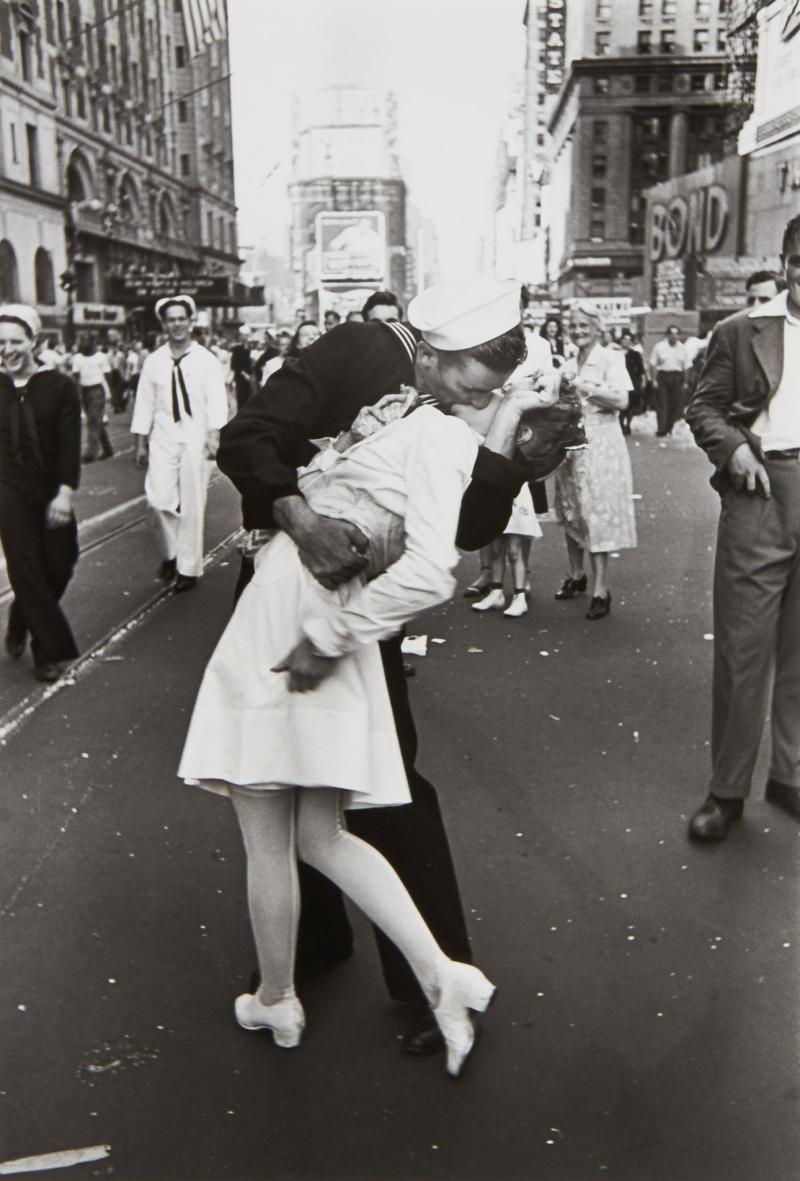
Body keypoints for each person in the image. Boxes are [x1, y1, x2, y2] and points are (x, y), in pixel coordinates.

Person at [179, 356, 552, 1072]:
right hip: (322, 611)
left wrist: (327, 628)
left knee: (270, 838)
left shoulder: (435, 435)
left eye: (486, 389)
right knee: (319, 835)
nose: (381, 403)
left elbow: (432, 562)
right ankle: (441, 974)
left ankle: (278, 996)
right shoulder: (423, 429)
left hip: (292, 614)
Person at [685, 215, 800, 842]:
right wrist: (732, 449)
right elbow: (701, 406)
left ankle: (791, 777)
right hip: (761, 490)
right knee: (743, 652)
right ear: (784, 262)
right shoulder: (740, 330)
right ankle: (726, 793)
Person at [0, 305, 81, 683]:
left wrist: (65, 493)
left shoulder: (59, 387)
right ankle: (48, 652)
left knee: (61, 561)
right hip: (7, 487)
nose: (8, 349)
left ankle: (21, 616)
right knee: (25, 565)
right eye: (0, 342)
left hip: (50, 486)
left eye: (16, 341)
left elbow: (68, 443)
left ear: (34, 341)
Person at [130, 295, 228, 593]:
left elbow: (217, 401)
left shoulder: (206, 360)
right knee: (157, 500)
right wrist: (140, 442)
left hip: (196, 438)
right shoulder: (154, 362)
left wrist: (214, 436)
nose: (177, 324)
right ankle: (171, 553)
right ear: (164, 324)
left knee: (193, 502)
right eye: (171, 319)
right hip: (163, 437)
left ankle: (188, 567)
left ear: (190, 321)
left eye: (181, 318)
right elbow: (144, 403)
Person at [553, 301, 637, 620]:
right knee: (571, 509)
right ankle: (577, 574)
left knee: (596, 512)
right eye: (573, 326)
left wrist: (581, 386)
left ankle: (602, 589)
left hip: (601, 441)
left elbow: (622, 399)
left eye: (584, 326)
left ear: (598, 328)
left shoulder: (611, 358)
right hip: (571, 442)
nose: (577, 331)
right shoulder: (569, 360)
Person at [71, 336, 113, 461]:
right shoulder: (77, 358)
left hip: (97, 390)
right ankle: (107, 448)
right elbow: (76, 376)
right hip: (84, 390)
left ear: (93, 342)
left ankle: (91, 452)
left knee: (93, 420)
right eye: (82, 341)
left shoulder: (101, 357)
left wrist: (110, 392)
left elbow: (108, 375)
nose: (84, 344)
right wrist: (76, 393)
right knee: (95, 420)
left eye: (87, 341)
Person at [649, 325, 690, 437]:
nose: (674, 336)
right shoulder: (659, 347)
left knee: (675, 404)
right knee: (662, 403)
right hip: (663, 376)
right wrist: (653, 380)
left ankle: (669, 427)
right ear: (667, 335)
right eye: (671, 334)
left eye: (676, 334)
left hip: (677, 377)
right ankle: (661, 428)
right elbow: (653, 364)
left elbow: (686, 367)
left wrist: (686, 382)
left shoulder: (683, 349)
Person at [618, 329, 646, 436]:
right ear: (621, 341)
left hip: (632, 381)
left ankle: (628, 424)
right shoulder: (615, 353)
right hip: (619, 381)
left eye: (628, 340)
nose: (626, 342)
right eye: (624, 340)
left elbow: (641, 369)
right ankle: (621, 424)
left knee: (630, 404)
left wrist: (642, 381)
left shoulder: (635, 354)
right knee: (621, 404)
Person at [229, 326, 255, 412]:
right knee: (242, 400)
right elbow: (234, 365)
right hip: (240, 378)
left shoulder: (251, 348)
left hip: (251, 378)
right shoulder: (236, 348)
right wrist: (244, 374)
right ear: (241, 336)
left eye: (247, 335)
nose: (246, 337)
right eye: (244, 335)